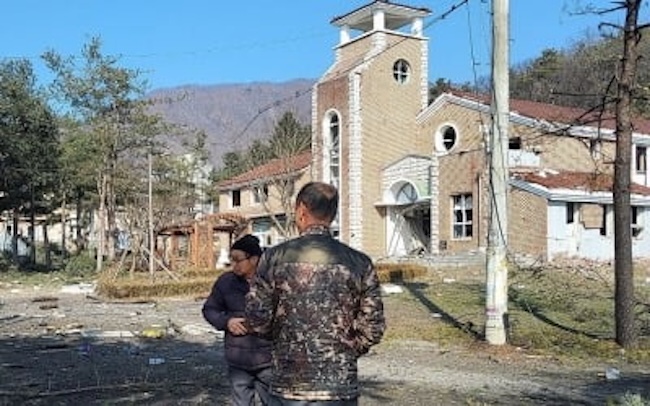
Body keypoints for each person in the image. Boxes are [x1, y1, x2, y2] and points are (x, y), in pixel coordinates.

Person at [245, 182, 386, 406]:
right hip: (339, 387)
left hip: (288, 386)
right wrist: (344, 352)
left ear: (301, 210)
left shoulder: (273, 258)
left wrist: (284, 344)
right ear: (332, 214)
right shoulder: (360, 263)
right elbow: (373, 327)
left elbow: (257, 318)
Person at [203, 234, 272, 406]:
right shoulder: (226, 282)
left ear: (254, 259)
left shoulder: (273, 281)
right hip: (238, 361)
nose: (233, 264)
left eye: (238, 260)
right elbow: (209, 309)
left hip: (269, 360)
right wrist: (226, 321)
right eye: (231, 260)